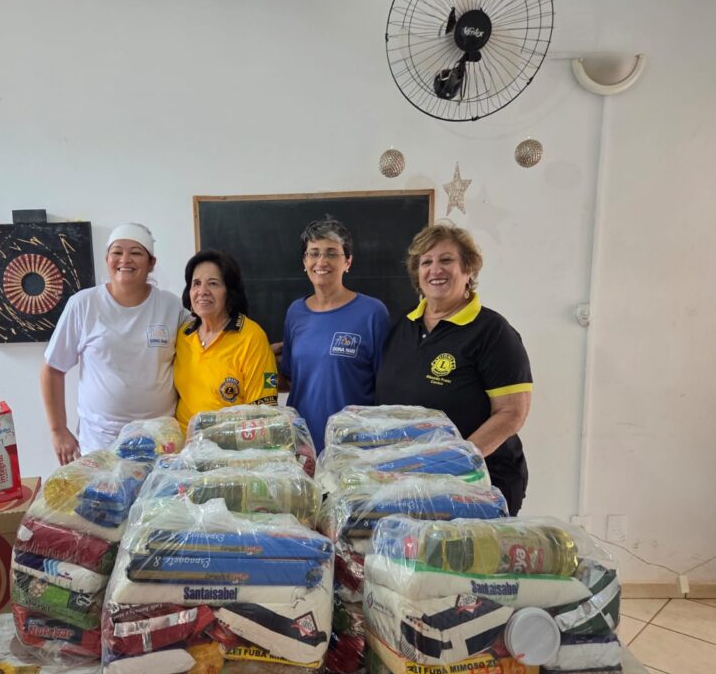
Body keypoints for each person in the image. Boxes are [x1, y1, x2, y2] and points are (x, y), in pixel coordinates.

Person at [375, 224, 533, 515]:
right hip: (411, 483)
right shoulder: (403, 327)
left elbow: (512, 413)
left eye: (446, 260)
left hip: (478, 484)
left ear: (468, 269)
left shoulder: (492, 331)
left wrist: (453, 463)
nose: (435, 269)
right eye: (426, 262)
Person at [41, 223, 187, 463]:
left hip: (161, 444)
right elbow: (52, 369)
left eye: (136, 252)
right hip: (100, 445)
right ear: (107, 259)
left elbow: (203, 346)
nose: (125, 259)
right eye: (117, 252)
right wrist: (58, 431)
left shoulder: (171, 306)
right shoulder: (84, 304)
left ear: (151, 263)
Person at [278, 216, 391, 452]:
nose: (321, 261)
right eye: (314, 253)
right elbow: (290, 377)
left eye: (331, 253)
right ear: (305, 261)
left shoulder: (372, 313)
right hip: (303, 445)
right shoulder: (295, 312)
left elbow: (386, 387)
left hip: (354, 449)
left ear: (347, 261)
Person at [174, 250, 279, 431]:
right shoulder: (183, 335)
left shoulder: (251, 337)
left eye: (213, 284)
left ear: (229, 293)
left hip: (229, 446)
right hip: (183, 444)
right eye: (196, 283)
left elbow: (262, 415)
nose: (202, 291)